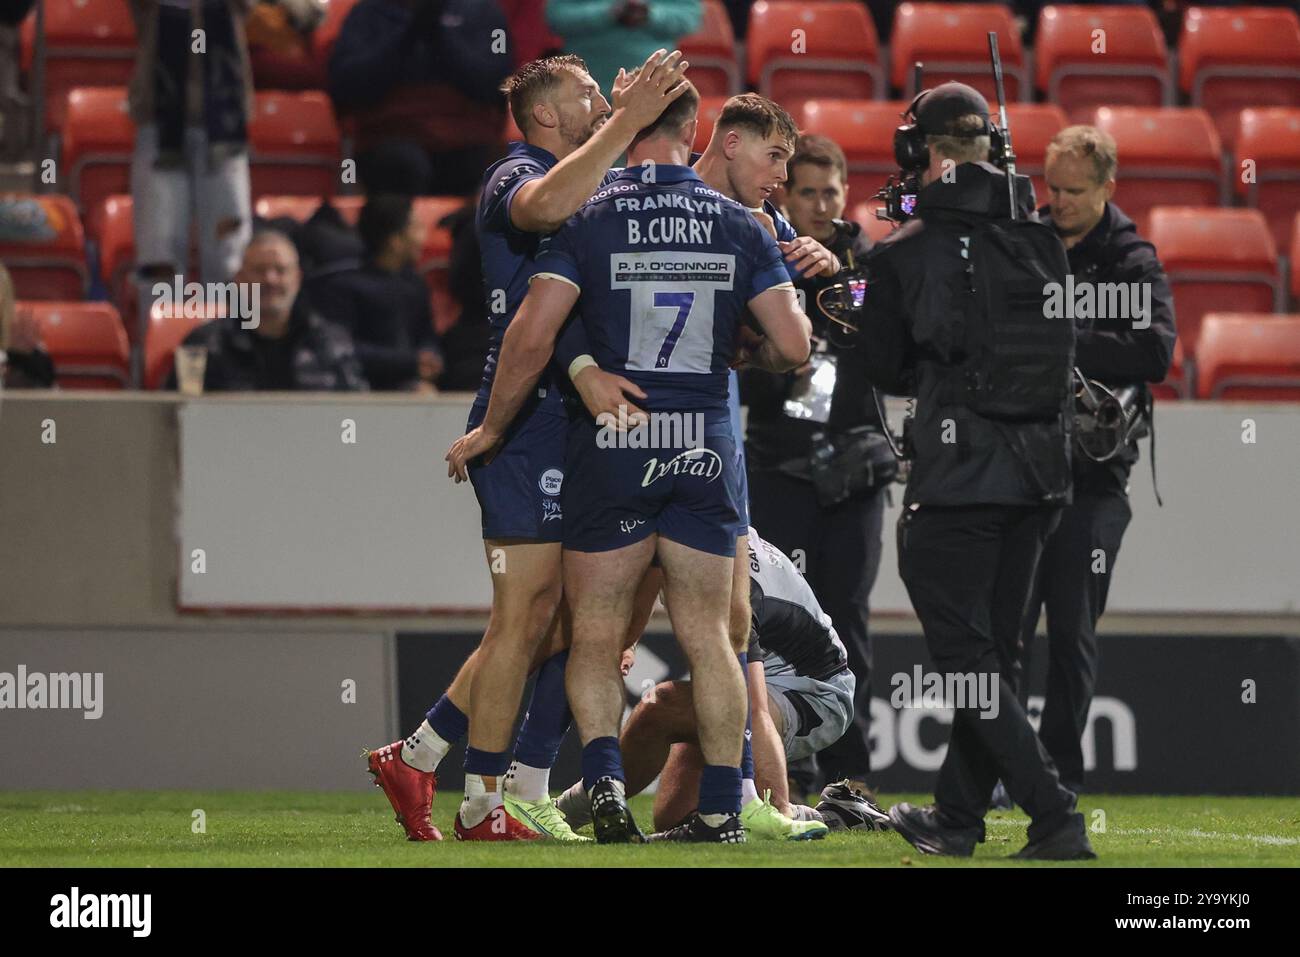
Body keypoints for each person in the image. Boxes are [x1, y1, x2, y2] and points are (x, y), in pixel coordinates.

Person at [445, 79, 812, 844]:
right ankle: (721, 806)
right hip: (702, 442)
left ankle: (604, 787)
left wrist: (493, 423)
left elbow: (532, 332)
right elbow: (796, 345)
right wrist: (742, 352)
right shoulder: (740, 223)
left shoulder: (589, 214)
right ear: (697, 133)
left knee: (596, 631)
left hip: (613, 440)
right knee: (712, 635)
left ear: (637, 125)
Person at [364, 50, 693, 843]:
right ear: (546, 113)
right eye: (587, 94)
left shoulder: (588, 174)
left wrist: (640, 128)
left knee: (557, 619)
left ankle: (420, 753)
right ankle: (481, 803)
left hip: (570, 428)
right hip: (522, 426)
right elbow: (544, 210)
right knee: (526, 617)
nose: (600, 99)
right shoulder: (513, 173)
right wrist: (624, 123)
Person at [855, 83, 1095, 860]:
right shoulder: (1042, 239)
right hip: (1041, 483)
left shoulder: (900, 250)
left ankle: (1055, 818)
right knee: (996, 659)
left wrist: (856, 294)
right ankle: (957, 817)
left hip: (956, 486)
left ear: (920, 152)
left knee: (968, 665)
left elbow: (885, 367)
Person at [1015, 125, 1175, 794]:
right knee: (1007, 632)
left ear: (1108, 187)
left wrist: (1062, 336)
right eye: (1051, 188)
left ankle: (1059, 773)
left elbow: (1156, 353)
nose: (1060, 202)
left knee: (1072, 628)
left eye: (1074, 191)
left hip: (1095, 476)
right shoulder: (1026, 241)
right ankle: (1004, 766)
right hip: (1022, 467)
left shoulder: (1133, 259)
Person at [555, 526, 892, 837]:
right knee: (675, 818)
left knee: (660, 707)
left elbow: (754, 710)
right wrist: (627, 642)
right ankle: (836, 814)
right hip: (787, 680)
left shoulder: (734, 591)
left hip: (813, 693)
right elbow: (645, 578)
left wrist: (780, 807)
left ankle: (565, 812)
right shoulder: (701, 538)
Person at [742, 132, 886, 799]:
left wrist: (836, 277)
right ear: (788, 196)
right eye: (809, 192)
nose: (823, 204)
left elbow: (887, 339)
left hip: (855, 472)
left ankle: (849, 774)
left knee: (847, 619)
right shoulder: (760, 252)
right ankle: (785, 768)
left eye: (832, 191)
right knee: (774, 620)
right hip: (779, 466)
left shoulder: (867, 263)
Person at [129, 0, 254, 347]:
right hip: (160, 123)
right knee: (159, 257)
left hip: (225, 130)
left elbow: (309, 12)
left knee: (231, 255)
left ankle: (238, 354)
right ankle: (159, 355)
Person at [327, 0, 512, 196]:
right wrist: (408, 35)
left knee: (477, 166)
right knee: (402, 163)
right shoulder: (367, 13)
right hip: (388, 141)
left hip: (465, 143)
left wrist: (438, 34)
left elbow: (495, 83)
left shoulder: (482, 11)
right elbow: (346, 86)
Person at [167, 229, 366, 391]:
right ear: (239, 280)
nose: (270, 280)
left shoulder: (332, 344)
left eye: (280, 270)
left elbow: (356, 415)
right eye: (260, 270)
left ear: (297, 279)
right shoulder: (203, 344)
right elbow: (176, 416)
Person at [308, 194, 443, 392]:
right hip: (358, 389)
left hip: (413, 385)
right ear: (395, 240)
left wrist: (431, 356)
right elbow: (343, 349)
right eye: (416, 227)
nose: (423, 237)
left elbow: (426, 334)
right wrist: (410, 362)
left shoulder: (414, 285)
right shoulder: (343, 286)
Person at [546, 0, 702, 94]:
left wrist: (650, 14)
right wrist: (608, 14)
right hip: (583, 85)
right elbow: (556, 16)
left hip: (651, 88)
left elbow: (689, 17)